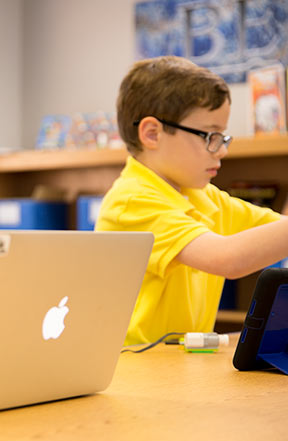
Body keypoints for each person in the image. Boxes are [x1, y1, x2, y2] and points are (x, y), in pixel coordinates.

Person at [96, 55, 287, 346]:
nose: (221, 150)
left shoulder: (203, 196)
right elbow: (228, 258)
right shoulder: (132, 201)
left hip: (179, 363)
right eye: (210, 135)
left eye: (222, 136)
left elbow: (277, 231)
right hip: (130, 368)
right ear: (151, 133)